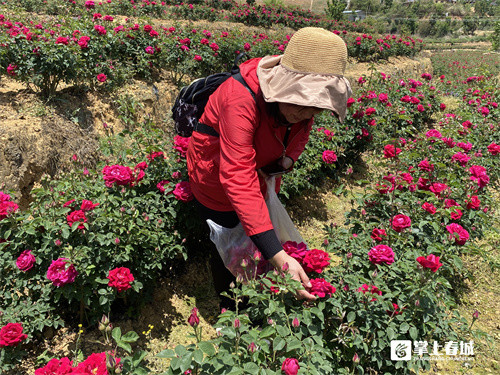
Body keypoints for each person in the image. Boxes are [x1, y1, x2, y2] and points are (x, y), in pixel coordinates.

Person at [186, 27, 352, 308]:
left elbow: (298, 134)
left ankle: (258, 293)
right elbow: (237, 176)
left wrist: (283, 163)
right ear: (283, 86)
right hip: (215, 179)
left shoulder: (300, 108)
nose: (307, 115)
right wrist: (277, 254)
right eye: (302, 106)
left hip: (258, 174)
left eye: (316, 110)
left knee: (256, 237)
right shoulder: (240, 97)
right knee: (228, 245)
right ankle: (231, 306)